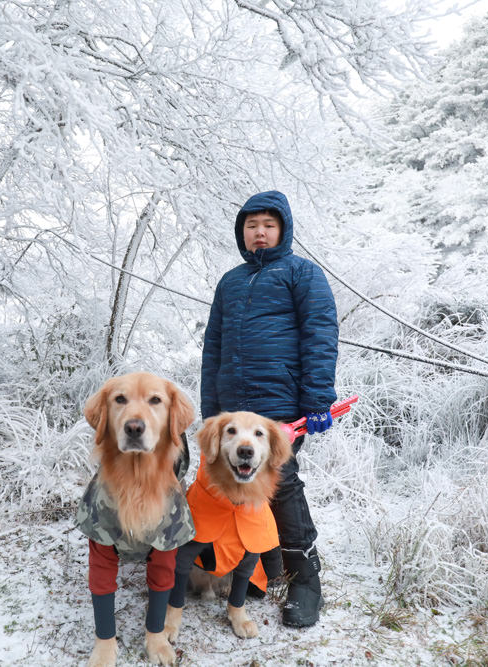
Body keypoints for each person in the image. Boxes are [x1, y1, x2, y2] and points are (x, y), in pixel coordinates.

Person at [200, 190, 339, 628]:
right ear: (242, 233)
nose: (259, 233)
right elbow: (213, 348)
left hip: (280, 402)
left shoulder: (302, 274)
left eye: (268, 225)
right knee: (234, 484)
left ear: (282, 230)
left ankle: (304, 578)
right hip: (232, 406)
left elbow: (320, 334)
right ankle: (261, 565)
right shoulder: (230, 282)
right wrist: (211, 412)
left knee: (280, 482)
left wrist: (317, 400)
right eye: (251, 226)